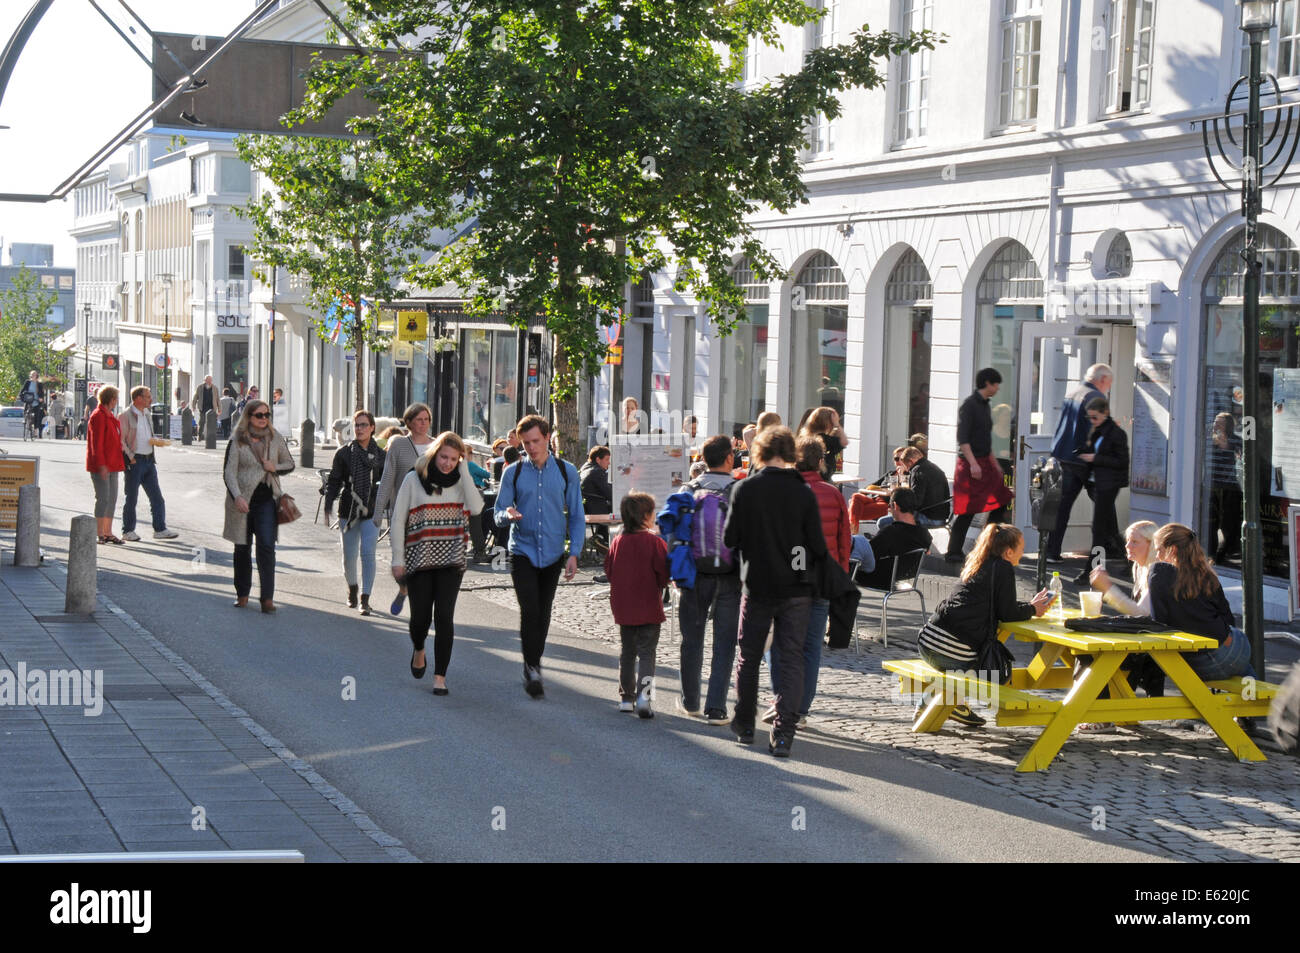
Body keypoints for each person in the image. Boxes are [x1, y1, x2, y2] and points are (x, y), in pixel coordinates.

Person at [722, 425, 827, 758]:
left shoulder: (745, 489)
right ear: (790, 454)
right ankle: (783, 733)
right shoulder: (803, 492)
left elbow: (729, 540)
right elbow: (815, 545)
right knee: (792, 659)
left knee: (748, 656)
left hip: (758, 583)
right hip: (796, 588)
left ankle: (745, 724)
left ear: (760, 452)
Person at [919, 524, 1054, 726]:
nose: (1023, 553)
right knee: (998, 671)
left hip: (927, 640)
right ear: (1008, 552)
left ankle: (943, 705)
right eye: (1022, 548)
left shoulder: (978, 563)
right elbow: (1007, 614)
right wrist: (1033, 610)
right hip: (949, 651)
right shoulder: (1003, 568)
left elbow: (997, 606)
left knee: (972, 662)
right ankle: (940, 703)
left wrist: (1030, 606)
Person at [494, 414, 586, 698]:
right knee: (530, 609)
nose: (531, 448)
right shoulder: (514, 472)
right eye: (526, 443)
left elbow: (577, 515)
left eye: (535, 441)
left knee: (544, 612)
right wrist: (507, 514)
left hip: (554, 552)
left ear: (547, 437)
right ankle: (532, 667)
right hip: (522, 549)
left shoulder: (567, 470)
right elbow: (498, 512)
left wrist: (575, 553)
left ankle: (533, 662)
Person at [763, 435, 850, 729]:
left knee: (780, 644)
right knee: (812, 646)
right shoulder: (834, 494)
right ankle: (800, 709)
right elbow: (844, 541)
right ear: (821, 461)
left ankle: (782, 700)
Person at [390, 432, 483, 696]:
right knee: (420, 618)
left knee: (444, 617)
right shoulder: (414, 479)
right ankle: (419, 648)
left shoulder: (461, 482)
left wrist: (465, 471)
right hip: (419, 559)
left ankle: (440, 676)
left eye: (454, 459)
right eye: (444, 456)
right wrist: (398, 559)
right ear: (433, 453)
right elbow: (398, 520)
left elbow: (476, 508)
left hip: (451, 560)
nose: (447, 463)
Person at [678, 434, 742, 724]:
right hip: (730, 577)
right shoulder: (740, 491)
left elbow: (674, 533)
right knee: (725, 643)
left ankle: (690, 701)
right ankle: (716, 708)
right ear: (729, 458)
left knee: (692, 639)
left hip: (694, 575)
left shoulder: (688, 489)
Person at [1146, 523, 1254, 680]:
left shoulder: (1159, 573)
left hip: (1200, 662)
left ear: (1173, 549)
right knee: (1244, 670)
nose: (1157, 556)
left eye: (1159, 550)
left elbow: (1159, 624)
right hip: (1234, 650)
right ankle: (1258, 696)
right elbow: (1227, 617)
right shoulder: (1205, 573)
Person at [222, 398, 295, 613]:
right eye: (259, 415)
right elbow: (229, 472)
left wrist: (275, 467)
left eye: (267, 415)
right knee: (242, 547)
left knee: (266, 546)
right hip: (242, 499)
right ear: (249, 417)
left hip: (266, 499)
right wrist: (237, 497)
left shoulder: (276, 438)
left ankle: (267, 598)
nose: (264, 419)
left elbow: (289, 463)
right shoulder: (238, 440)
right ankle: (242, 594)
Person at [604, 492, 669, 716]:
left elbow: (609, 570)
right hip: (649, 604)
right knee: (648, 653)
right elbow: (663, 574)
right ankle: (645, 697)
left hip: (624, 605)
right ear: (646, 516)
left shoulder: (618, 541)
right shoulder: (655, 542)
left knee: (627, 652)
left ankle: (626, 697)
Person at [372, 403, 437, 614]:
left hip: (431, 515)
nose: (423, 423)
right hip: (403, 514)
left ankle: (422, 604)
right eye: (419, 419)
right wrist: (378, 511)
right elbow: (388, 478)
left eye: (426, 419)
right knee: (400, 561)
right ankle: (403, 589)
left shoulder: (438, 446)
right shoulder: (399, 445)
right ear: (408, 422)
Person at [1045, 363, 1113, 563]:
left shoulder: (1073, 393)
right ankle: (1112, 548)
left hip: (1064, 456)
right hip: (1084, 460)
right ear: (1102, 379)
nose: (1108, 387)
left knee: (1062, 506)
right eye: (1109, 382)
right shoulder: (1095, 398)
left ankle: (1051, 551)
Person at [945, 367, 1013, 563]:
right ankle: (954, 551)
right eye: (996, 384)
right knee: (968, 509)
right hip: (970, 464)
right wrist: (974, 464)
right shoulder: (969, 406)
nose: (998, 388)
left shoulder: (985, 406)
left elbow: (985, 439)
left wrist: (994, 464)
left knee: (1002, 498)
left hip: (984, 461)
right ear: (987, 383)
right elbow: (963, 439)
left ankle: (991, 544)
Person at [324, 410, 387, 615]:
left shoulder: (381, 455)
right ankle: (352, 589)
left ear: (372, 428)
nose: (359, 429)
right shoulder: (344, 453)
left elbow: (387, 483)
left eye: (363, 425)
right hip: (348, 511)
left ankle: (365, 598)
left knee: (368, 554)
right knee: (349, 557)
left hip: (372, 511)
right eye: (356, 425)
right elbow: (334, 481)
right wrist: (328, 504)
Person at [1075, 396, 1129, 582]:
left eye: (1095, 417)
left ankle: (1090, 571)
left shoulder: (1116, 433)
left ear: (1105, 413)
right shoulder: (1097, 430)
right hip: (1097, 482)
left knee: (1099, 529)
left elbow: (1122, 461)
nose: (1092, 421)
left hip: (1108, 484)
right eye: (1089, 417)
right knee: (1108, 529)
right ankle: (1128, 560)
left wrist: (1094, 459)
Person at [118, 386, 179, 542]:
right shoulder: (125, 415)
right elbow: (121, 440)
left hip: (149, 460)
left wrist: (156, 441)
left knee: (157, 497)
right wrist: (130, 456)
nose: (150, 399)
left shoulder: (147, 414)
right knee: (131, 497)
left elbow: (147, 435)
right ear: (138, 398)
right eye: (147, 396)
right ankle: (128, 530)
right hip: (135, 461)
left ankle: (160, 529)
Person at [851, 488, 934, 589]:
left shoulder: (890, 532)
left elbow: (868, 555)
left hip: (878, 578)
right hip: (903, 577)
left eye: (889, 506)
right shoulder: (925, 533)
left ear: (895, 505)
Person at [1090, 521, 1159, 616]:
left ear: (1151, 545)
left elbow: (1140, 612)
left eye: (1134, 542)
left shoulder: (1158, 572)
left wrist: (1108, 588)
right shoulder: (1138, 566)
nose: (1127, 546)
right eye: (1128, 540)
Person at [86, 385, 125, 545]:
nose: (117, 401)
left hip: (113, 464)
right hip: (101, 465)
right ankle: (99, 533)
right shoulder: (98, 416)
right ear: (111, 399)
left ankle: (108, 531)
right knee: (102, 498)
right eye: (116, 398)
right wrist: (101, 465)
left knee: (112, 499)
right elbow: (97, 444)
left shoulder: (109, 415)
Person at [1208, 412, 1243, 563]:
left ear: (1228, 426)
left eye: (1220, 423)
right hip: (1213, 484)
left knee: (1229, 522)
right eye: (1216, 422)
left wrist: (1226, 445)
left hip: (1231, 487)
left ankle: (1223, 553)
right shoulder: (1210, 441)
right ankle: (1211, 554)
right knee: (1211, 522)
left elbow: (1240, 459)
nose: (1216, 425)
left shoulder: (1236, 440)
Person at [898, 446, 950, 528]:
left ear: (911, 462)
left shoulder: (917, 470)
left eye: (906, 466)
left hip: (927, 518)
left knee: (883, 522)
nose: (907, 470)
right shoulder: (934, 467)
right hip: (941, 517)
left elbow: (916, 501)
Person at [800, 406, 849, 478]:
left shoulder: (805, 438)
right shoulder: (826, 440)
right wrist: (836, 424)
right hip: (823, 478)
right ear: (828, 423)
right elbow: (844, 442)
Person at [192, 375, 218, 440]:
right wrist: (193, 406)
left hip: (212, 408)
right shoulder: (200, 387)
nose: (209, 381)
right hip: (202, 408)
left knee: (211, 423)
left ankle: (210, 437)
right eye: (208, 380)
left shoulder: (215, 388)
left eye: (210, 380)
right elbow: (195, 397)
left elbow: (217, 399)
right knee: (202, 422)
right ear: (205, 380)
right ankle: (200, 435)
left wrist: (219, 408)